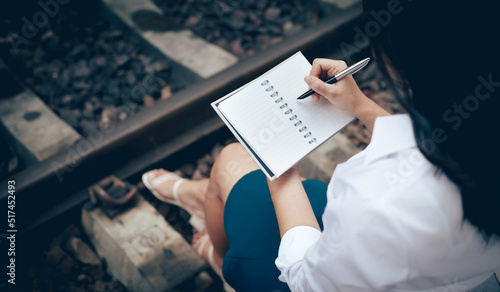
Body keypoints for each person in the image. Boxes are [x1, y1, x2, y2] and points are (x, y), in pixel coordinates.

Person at [142, 0, 500, 290]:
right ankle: (198, 196)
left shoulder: (383, 202)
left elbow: (305, 281)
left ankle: (221, 260)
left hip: (350, 270)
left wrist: (279, 170)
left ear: (398, 64)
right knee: (236, 182)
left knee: (233, 160)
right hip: (441, 269)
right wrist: (359, 105)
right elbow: (444, 145)